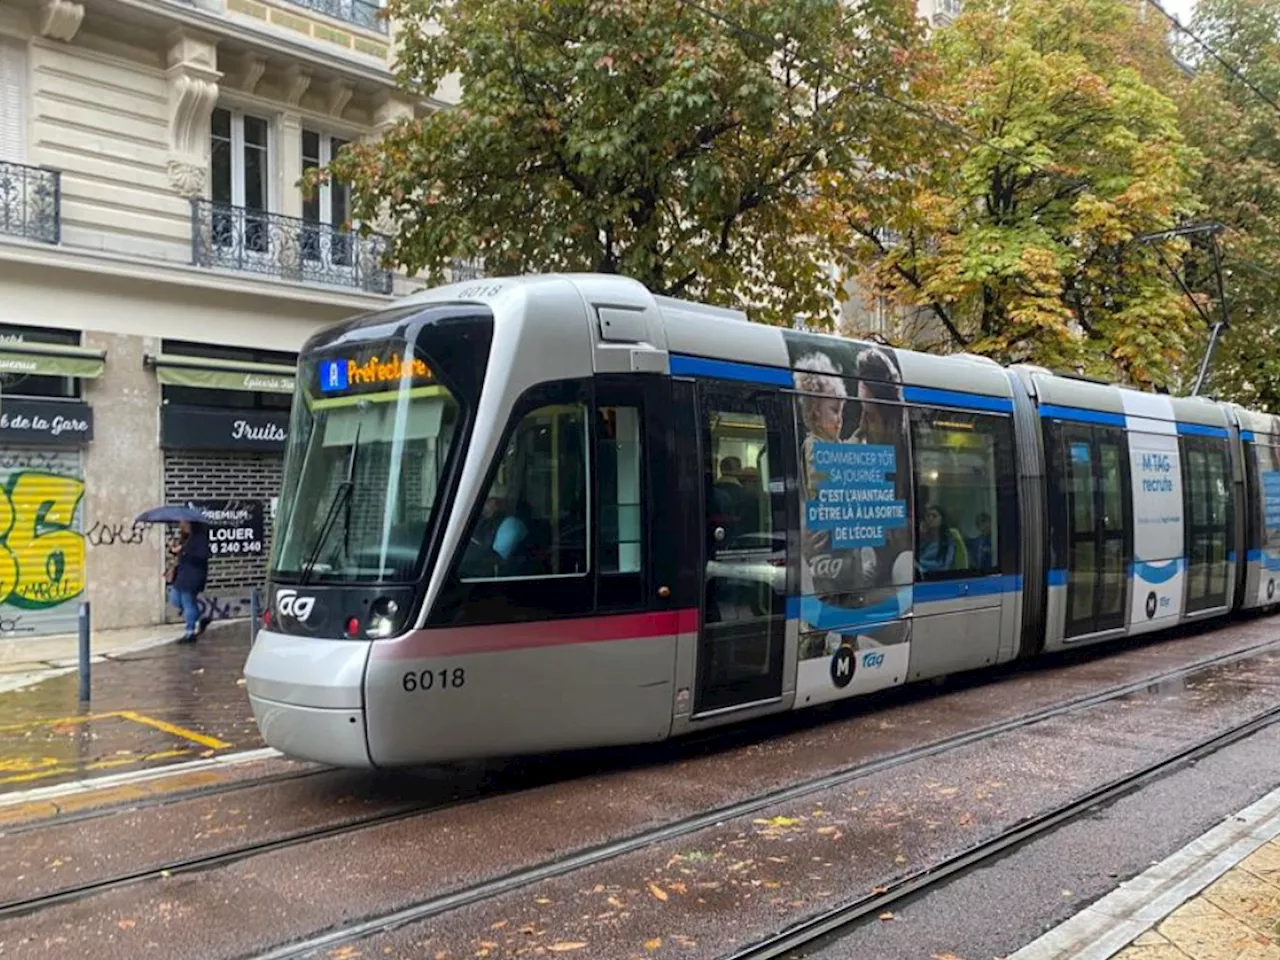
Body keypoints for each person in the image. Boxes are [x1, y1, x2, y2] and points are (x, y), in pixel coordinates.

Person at [167, 519, 211, 643]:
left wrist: (184, 550)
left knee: (187, 602)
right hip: (182, 574)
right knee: (174, 598)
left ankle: (190, 632)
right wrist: (175, 551)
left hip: (193, 575)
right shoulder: (185, 538)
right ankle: (200, 619)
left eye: (183, 523)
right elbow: (181, 555)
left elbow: (202, 555)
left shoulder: (200, 538)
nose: (181, 525)